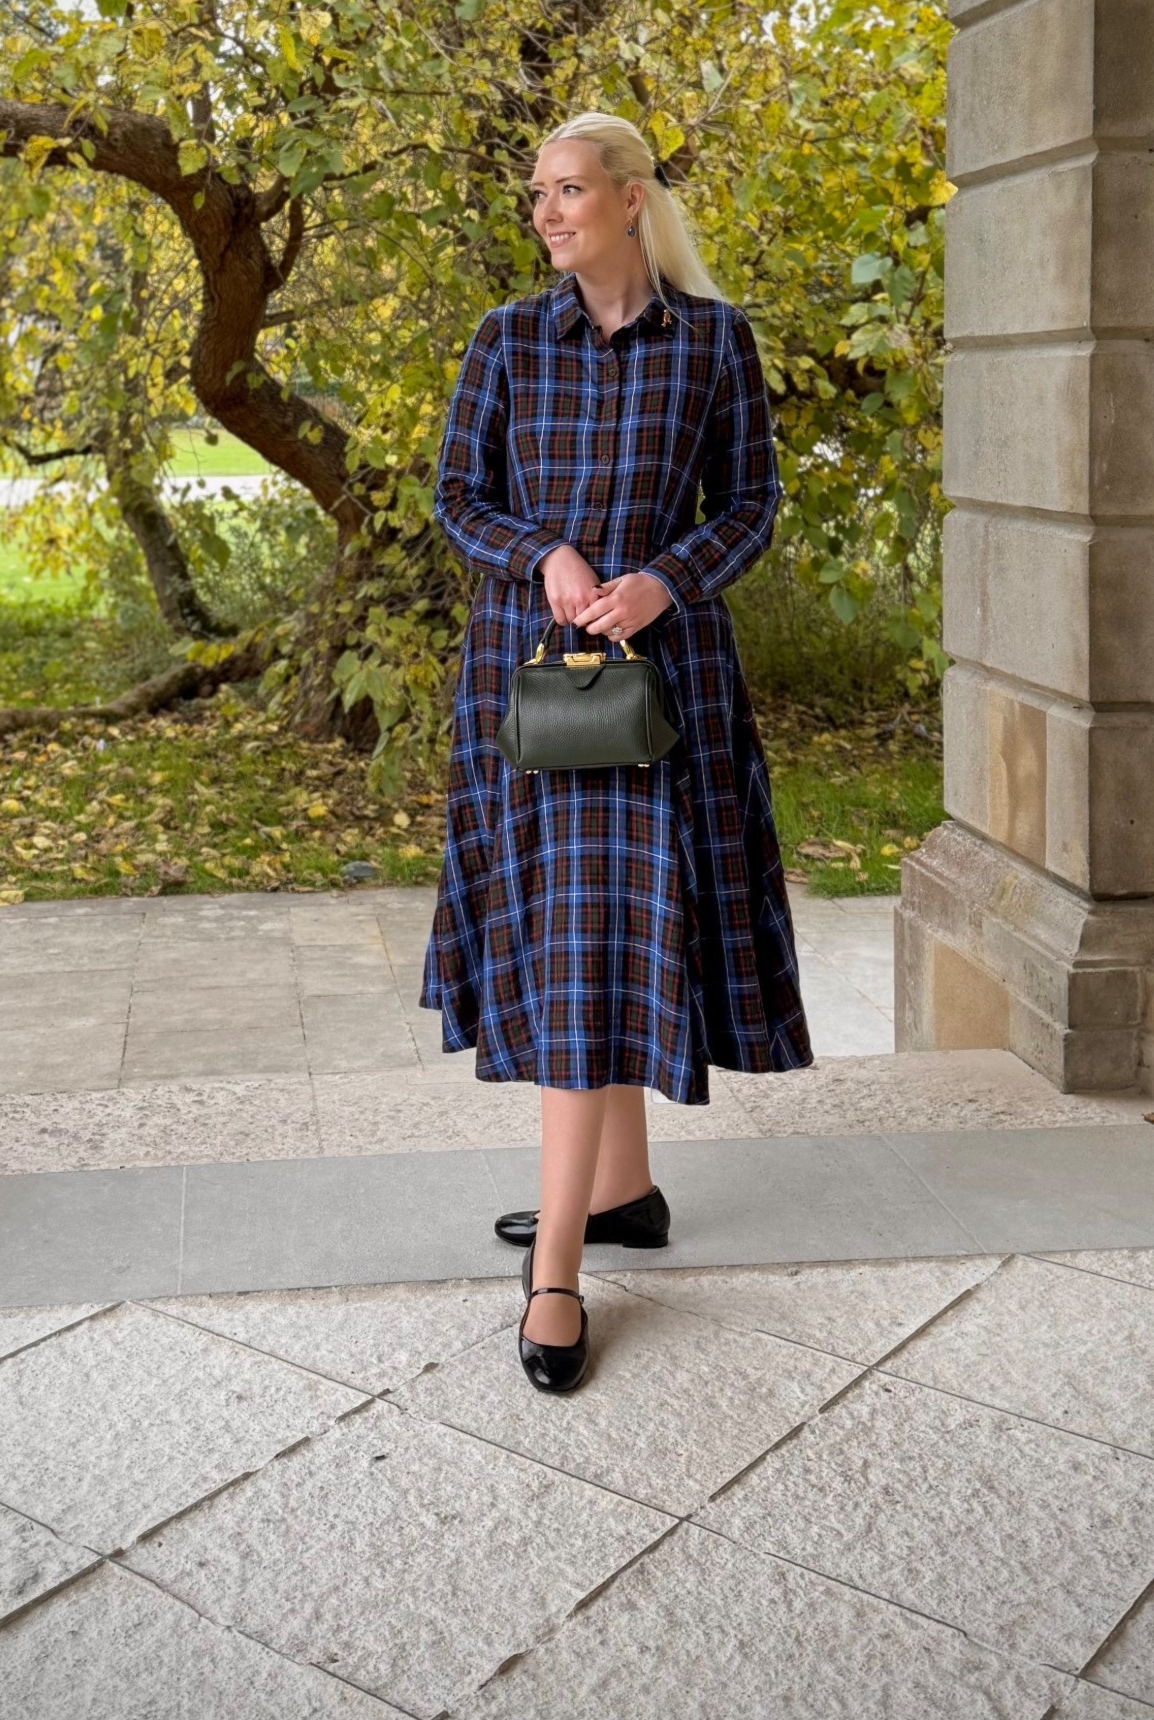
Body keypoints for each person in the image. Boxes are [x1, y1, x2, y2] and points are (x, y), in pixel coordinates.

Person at [420, 110, 814, 1393]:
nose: (546, 210)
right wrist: (545, 554)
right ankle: (621, 1193)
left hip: (659, 686)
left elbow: (750, 504)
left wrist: (662, 578)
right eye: (537, 192)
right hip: (530, 692)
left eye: (570, 188)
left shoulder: (713, 343)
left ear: (633, 200)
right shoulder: (504, 339)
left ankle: (558, 1276)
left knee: (604, 938)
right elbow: (455, 498)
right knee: (584, 936)